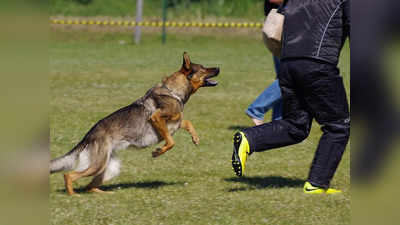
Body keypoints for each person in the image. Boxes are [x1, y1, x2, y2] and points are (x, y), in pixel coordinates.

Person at [231, 0, 350, 194]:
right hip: (318, 64)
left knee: (296, 125)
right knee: (339, 125)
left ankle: (249, 138)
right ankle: (317, 184)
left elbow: (279, 15)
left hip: (288, 63)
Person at [245, 0, 284, 125]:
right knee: (289, 77)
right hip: (282, 27)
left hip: (284, 26)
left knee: (283, 77)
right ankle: (257, 109)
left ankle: (277, 123)